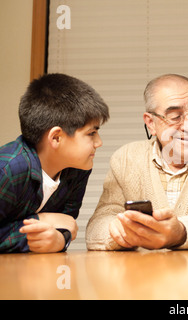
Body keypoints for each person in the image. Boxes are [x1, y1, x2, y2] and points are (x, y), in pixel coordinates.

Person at [86, 74, 188, 251]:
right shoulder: (126, 157)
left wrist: (181, 233)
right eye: (175, 116)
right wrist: (118, 231)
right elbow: (97, 228)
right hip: (144, 275)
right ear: (151, 123)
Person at [0, 73, 109, 253]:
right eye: (91, 133)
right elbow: (58, 223)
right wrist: (41, 220)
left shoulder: (77, 169)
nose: (99, 143)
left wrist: (59, 240)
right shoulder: (8, 169)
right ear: (56, 137)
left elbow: (66, 224)